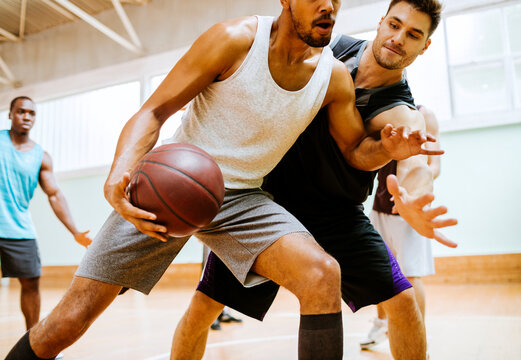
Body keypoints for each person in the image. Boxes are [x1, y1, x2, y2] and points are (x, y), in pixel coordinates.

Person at [5, 1, 437, 359]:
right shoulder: (234, 40)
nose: (328, 6)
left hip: (247, 199)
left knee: (322, 274)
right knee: (68, 321)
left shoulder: (333, 77)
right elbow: (154, 111)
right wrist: (120, 169)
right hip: (170, 186)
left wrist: (388, 152)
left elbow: (354, 150)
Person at [171, 1, 456, 359]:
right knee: (203, 308)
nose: (398, 39)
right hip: (268, 204)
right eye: (395, 25)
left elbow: (414, 166)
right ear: (381, 22)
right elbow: (257, 74)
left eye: (413, 34)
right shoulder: (327, 48)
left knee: (402, 301)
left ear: (425, 45)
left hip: (338, 215)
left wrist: (415, 201)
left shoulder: (401, 110)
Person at [0, 96, 92, 331]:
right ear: (10, 114)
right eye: (21, 111)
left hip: (19, 229)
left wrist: (75, 232)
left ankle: (32, 340)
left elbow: (54, 195)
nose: (26, 117)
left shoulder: (41, 156)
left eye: (31, 113)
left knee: (31, 282)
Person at [360, 105, 441, 350]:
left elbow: (435, 165)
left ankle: (418, 337)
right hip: (380, 205)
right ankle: (382, 324)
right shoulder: (384, 114)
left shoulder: (425, 115)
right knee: (382, 270)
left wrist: (413, 187)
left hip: (409, 209)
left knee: (410, 274)